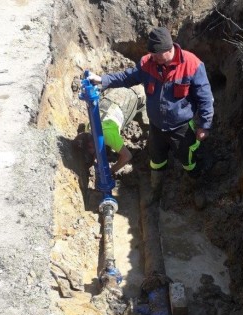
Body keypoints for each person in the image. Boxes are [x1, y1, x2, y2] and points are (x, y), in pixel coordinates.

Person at [87, 27, 214, 207]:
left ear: (167, 50)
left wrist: (205, 125)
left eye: (155, 55)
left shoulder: (192, 64)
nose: (152, 58)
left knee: (188, 159)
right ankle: (156, 193)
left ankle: (196, 187)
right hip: (157, 127)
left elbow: (205, 97)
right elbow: (127, 77)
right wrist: (103, 80)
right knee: (156, 160)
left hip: (181, 127)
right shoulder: (148, 63)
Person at [82, 84, 145, 174]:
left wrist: (112, 170)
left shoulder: (108, 135)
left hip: (137, 96)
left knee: (149, 123)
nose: (92, 153)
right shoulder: (88, 127)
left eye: (91, 149)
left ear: (90, 143)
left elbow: (127, 156)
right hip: (114, 94)